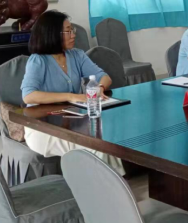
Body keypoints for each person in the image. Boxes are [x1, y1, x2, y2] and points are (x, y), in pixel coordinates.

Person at [20, 10, 124, 174]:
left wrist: (99, 88)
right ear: (53, 34)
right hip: (43, 128)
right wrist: (72, 96)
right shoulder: (38, 60)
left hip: (71, 123)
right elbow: (28, 95)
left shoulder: (76, 55)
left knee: (103, 142)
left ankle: (111, 184)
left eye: (72, 30)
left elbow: (104, 77)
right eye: (68, 31)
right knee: (96, 146)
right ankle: (107, 184)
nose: (73, 35)